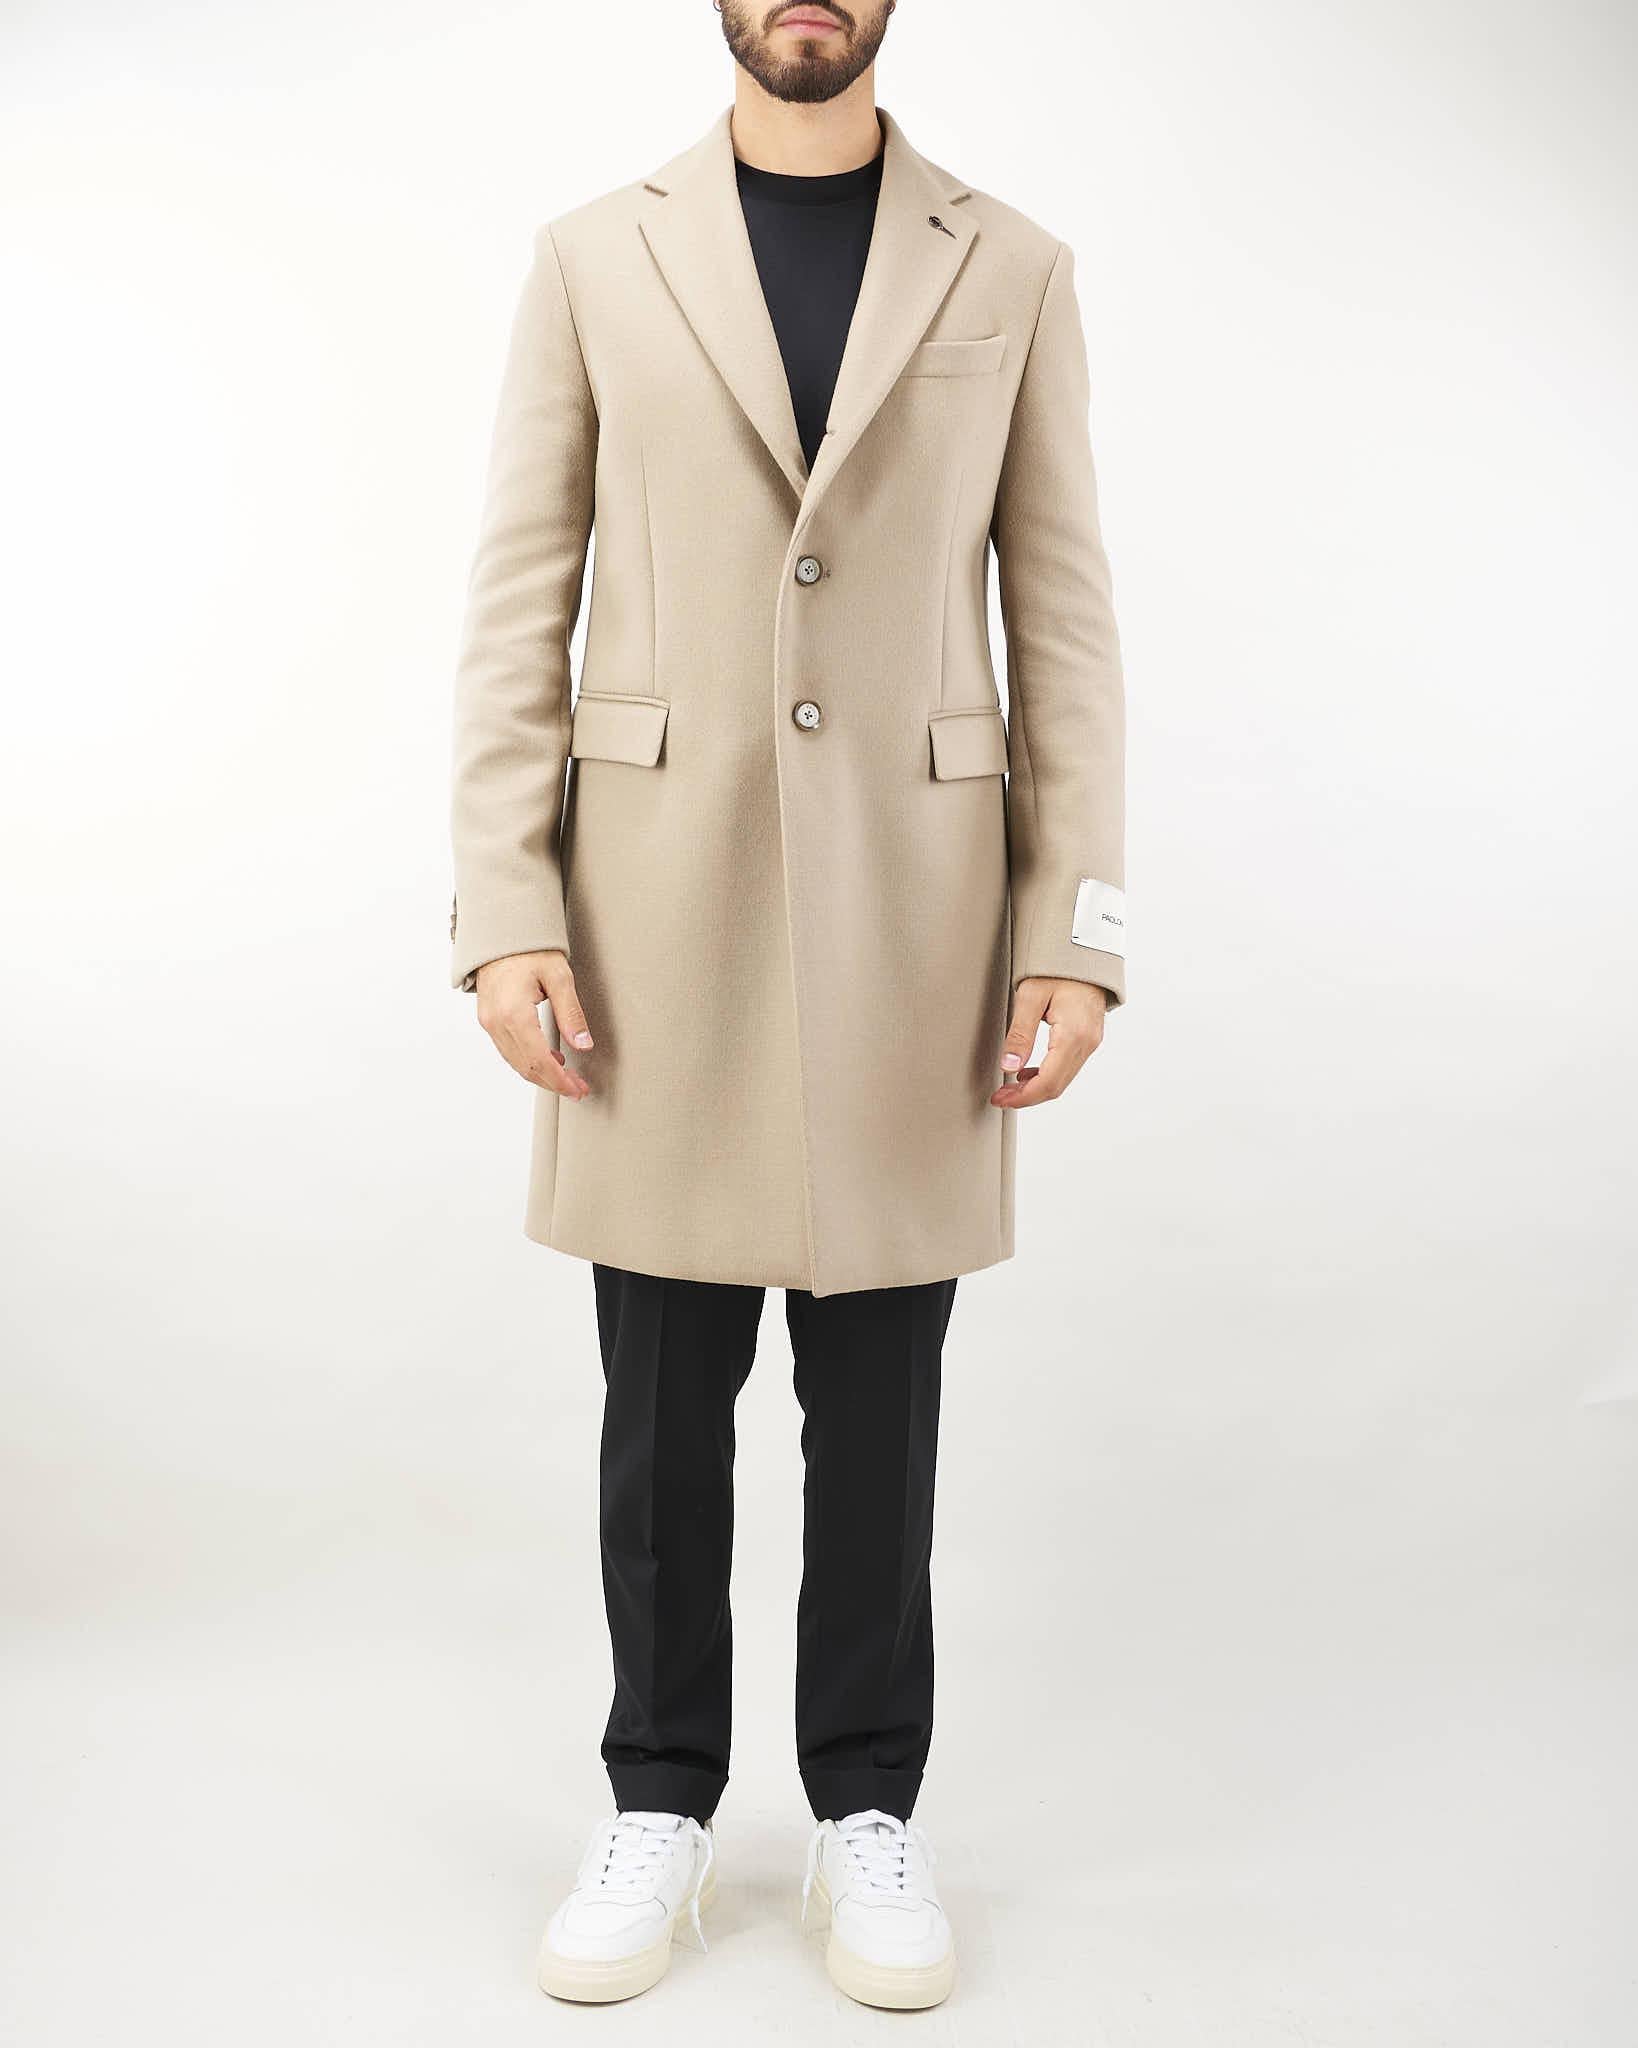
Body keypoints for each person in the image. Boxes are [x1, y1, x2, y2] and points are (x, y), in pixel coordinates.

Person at [447, 0, 1126, 2012]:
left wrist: (1073, 925)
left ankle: (864, 1810)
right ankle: (658, 1795)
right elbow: (519, 596)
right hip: (652, 910)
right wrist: (506, 904)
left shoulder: (1010, 265)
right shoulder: (596, 255)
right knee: (658, 1409)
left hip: (920, 914)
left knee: (881, 1413)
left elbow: (1061, 614)